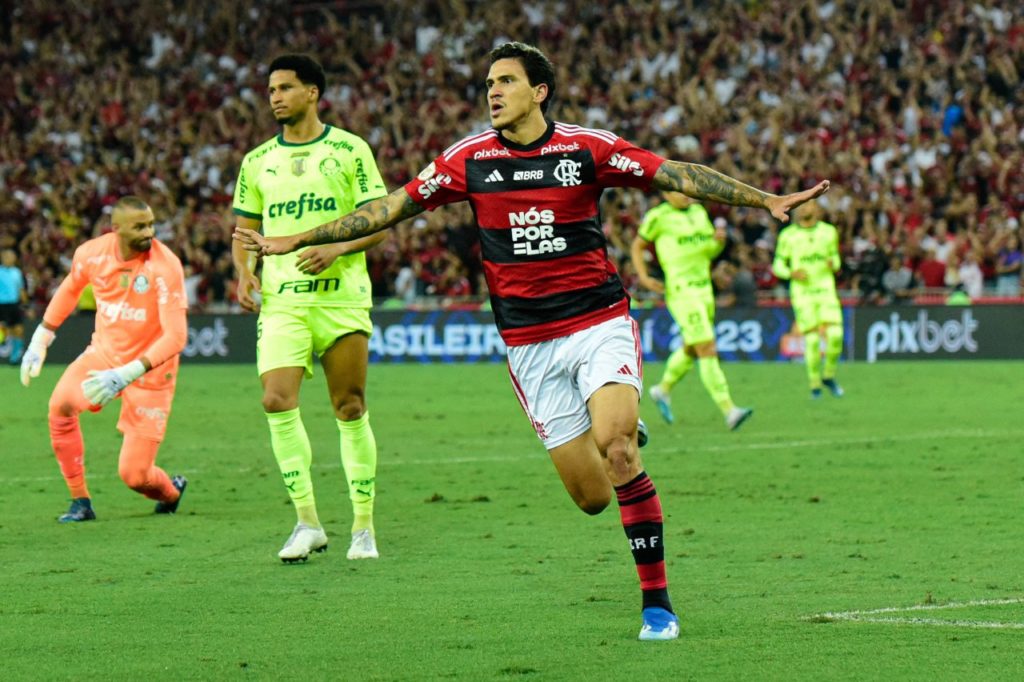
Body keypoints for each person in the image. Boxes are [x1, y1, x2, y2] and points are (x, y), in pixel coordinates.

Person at [235, 42, 828, 640]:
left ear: (538, 92)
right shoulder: (469, 159)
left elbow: (674, 173)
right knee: (593, 497)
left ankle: (657, 605)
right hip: (529, 344)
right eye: (489, 82)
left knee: (619, 451)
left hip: (598, 322)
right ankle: (613, 422)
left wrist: (766, 199)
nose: (492, 91)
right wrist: (304, 238)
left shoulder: (585, 148)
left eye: (506, 81)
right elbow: (392, 207)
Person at [231, 54, 389, 563]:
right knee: (276, 400)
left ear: (313, 92)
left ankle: (362, 528)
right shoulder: (257, 161)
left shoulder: (349, 149)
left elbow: (381, 221)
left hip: (341, 299)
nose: (275, 96)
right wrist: (244, 269)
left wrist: (338, 249)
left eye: (285, 87)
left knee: (349, 408)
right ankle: (307, 523)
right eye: (271, 88)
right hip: (282, 303)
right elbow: (245, 230)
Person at [20, 196, 188, 521]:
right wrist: (42, 337)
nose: (149, 232)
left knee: (135, 476)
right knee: (60, 407)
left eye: (151, 224)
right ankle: (80, 501)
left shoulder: (165, 266)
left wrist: (127, 374)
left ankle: (171, 492)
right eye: (140, 226)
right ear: (117, 228)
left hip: (151, 372)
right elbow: (71, 288)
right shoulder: (92, 254)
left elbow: (176, 336)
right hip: (105, 355)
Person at [630, 193, 753, 429]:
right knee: (707, 346)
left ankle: (662, 389)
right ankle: (729, 410)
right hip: (681, 290)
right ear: (666, 193)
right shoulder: (659, 216)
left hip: (704, 289)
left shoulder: (698, 212)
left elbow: (707, 251)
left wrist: (718, 242)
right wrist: (644, 277)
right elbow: (637, 245)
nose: (686, 196)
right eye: (680, 191)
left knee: (693, 347)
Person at [772, 202, 844, 399]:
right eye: (801, 205)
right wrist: (790, 273)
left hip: (825, 290)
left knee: (836, 334)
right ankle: (815, 385)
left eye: (809, 204)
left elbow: (837, 260)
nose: (805, 208)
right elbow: (777, 264)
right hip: (803, 294)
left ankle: (828, 375)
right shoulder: (788, 236)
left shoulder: (828, 232)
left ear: (817, 209)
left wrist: (833, 263)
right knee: (812, 340)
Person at [0, 248, 28, 364]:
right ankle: (4, 345)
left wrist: (26, 304)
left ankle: (15, 357)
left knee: (18, 330)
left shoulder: (17, 272)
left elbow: (21, 289)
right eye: (7, 256)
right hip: (1, 304)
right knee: (3, 329)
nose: (10, 258)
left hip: (14, 305)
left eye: (12, 256)